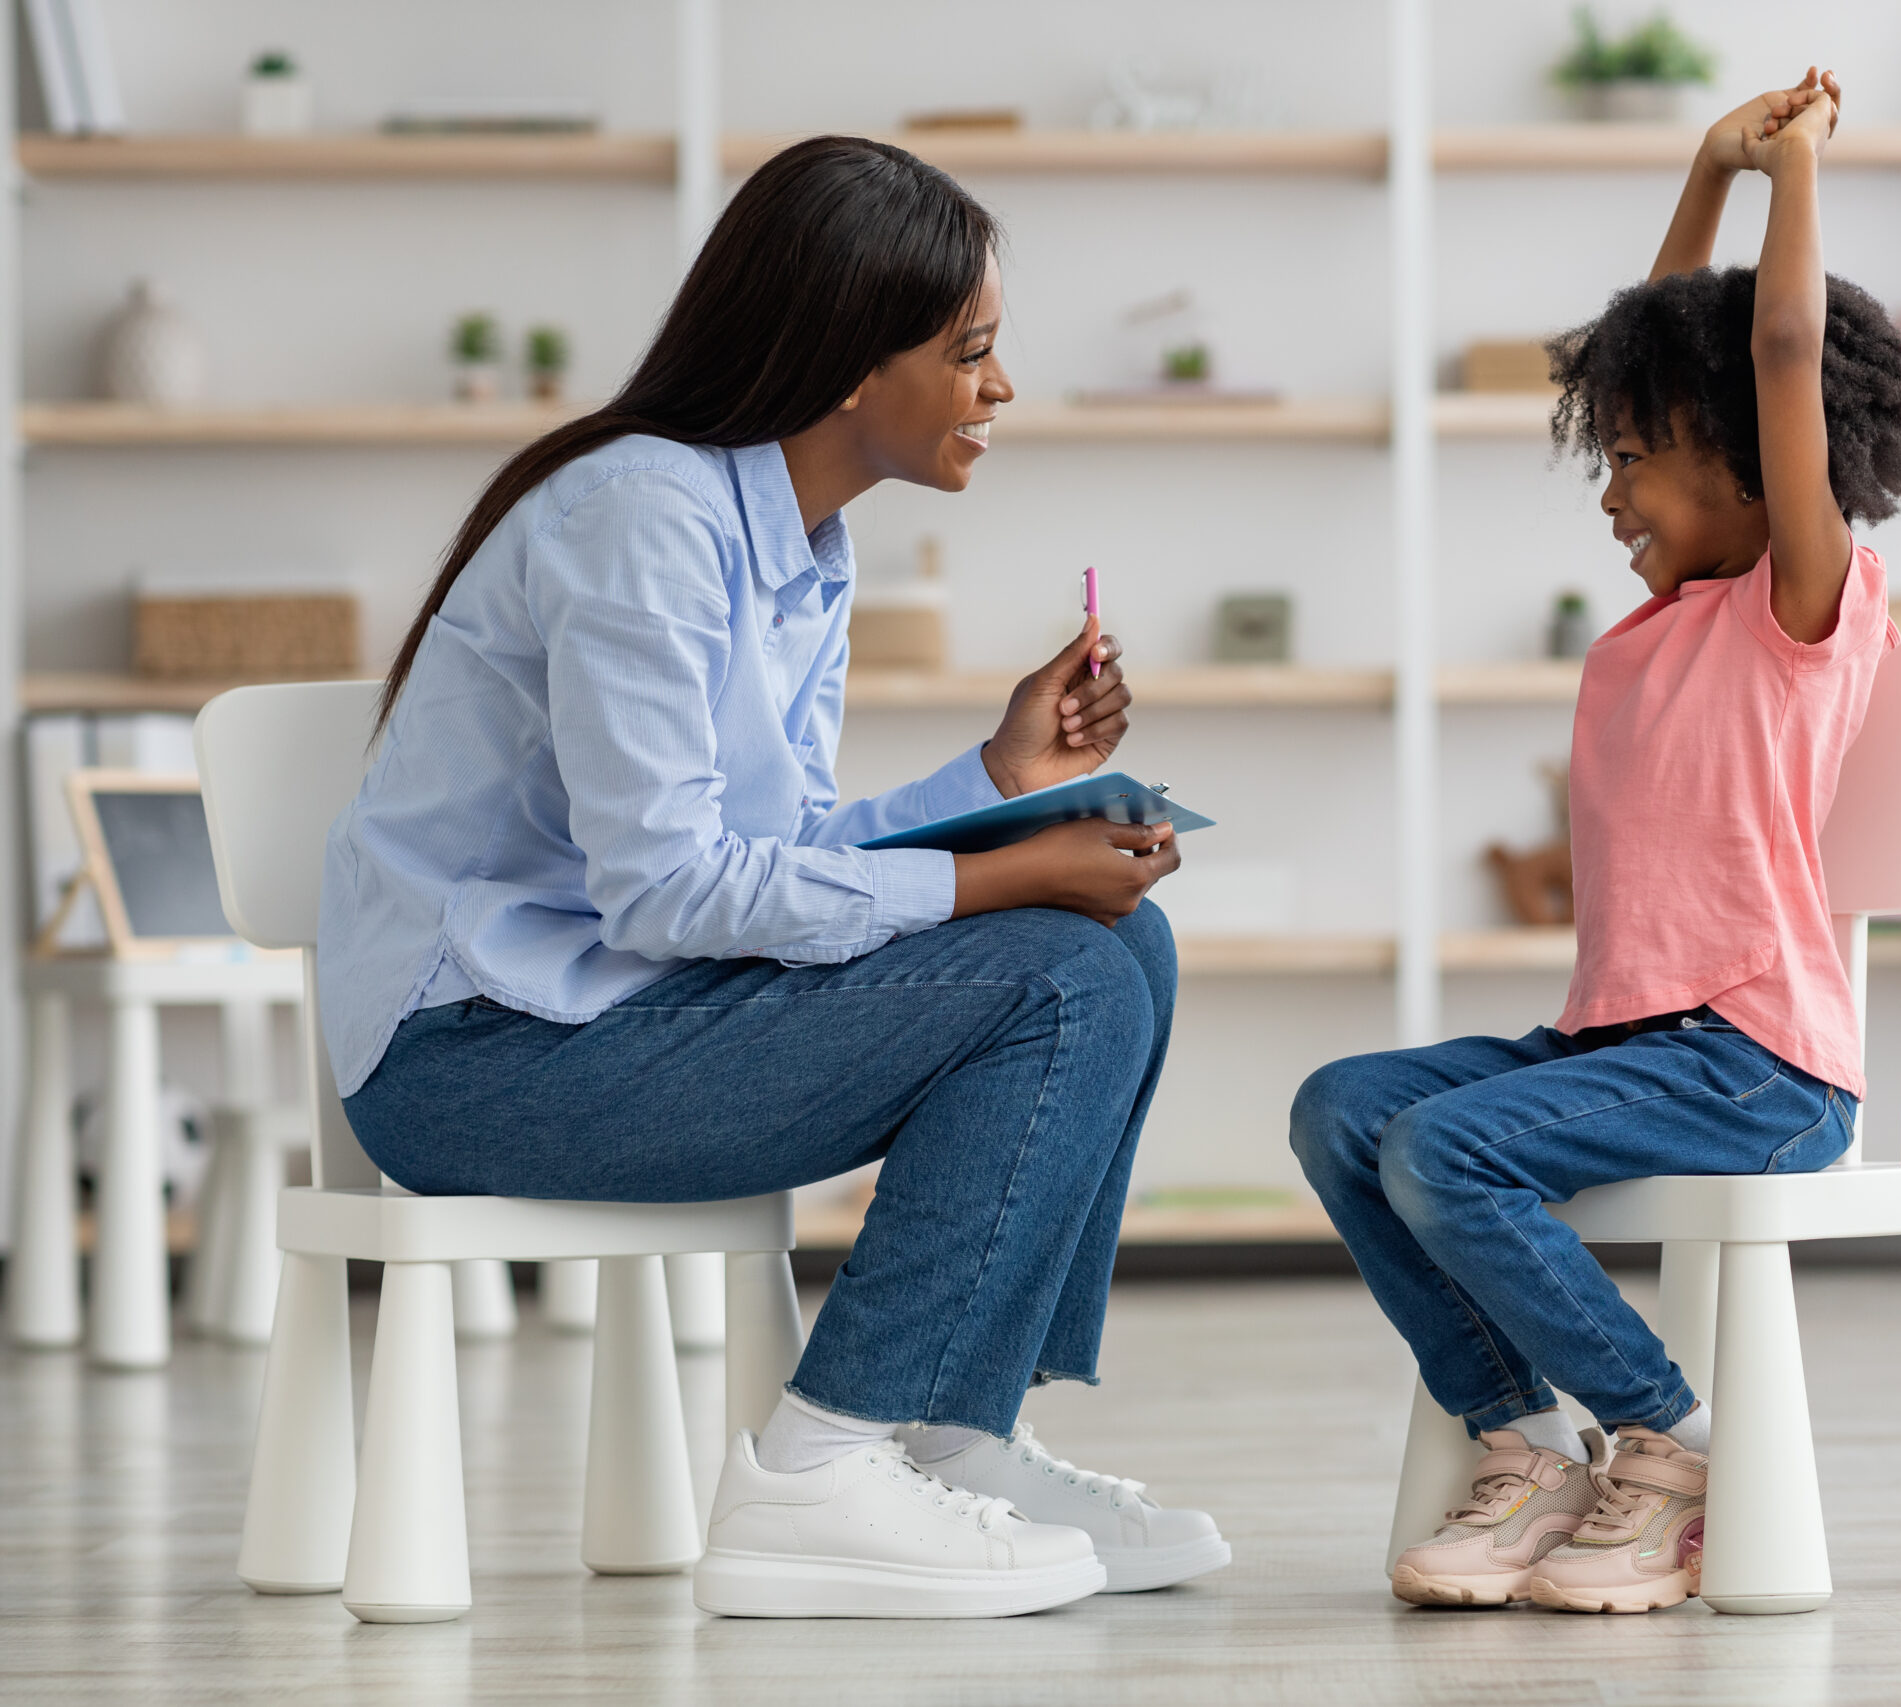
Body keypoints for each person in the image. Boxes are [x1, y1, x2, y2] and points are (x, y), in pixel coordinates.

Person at [324, 137, 1228, 1620]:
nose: (1001, 389)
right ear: (851, 361)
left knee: (1126, 947)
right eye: (974, 351)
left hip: (613, 1017)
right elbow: (673, 895)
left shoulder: (804, 542)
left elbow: (777, 862)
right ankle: (817, 1473)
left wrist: (1002, 785)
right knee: (1064, 964)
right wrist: (1008, 882)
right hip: (473, 1060)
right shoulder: (643, 517)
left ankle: (951, 1438)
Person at [1292, 69, 1901, 1614]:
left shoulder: (1803, 610)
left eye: (1639, 459)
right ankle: (1527, 1436)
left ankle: (1674, 1446)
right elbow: (1663, 344)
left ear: (1750, 465)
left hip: (1758, 1067)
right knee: (1345, 1109)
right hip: (1620, 1047)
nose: (1610, 490)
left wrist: (1794, 170)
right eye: (1608, 457)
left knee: (1446, 1148)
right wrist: (1705, 169)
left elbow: (1773, 348)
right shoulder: (1664, 627)